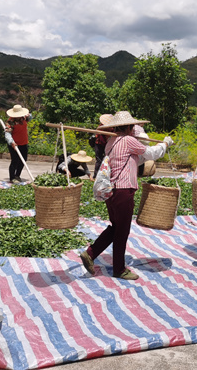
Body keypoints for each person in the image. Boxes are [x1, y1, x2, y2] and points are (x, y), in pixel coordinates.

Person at [79, 111, 173, 281]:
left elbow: (137, 160)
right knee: (122, 231)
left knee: (116, 227)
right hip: (123, 190)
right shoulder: (129, 141)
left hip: (112, 191)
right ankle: (119, 269)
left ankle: (90, 253)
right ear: (129, 127)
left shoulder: (111, 143)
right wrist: (165, 144)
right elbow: (150, 154)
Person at [4, 104, 31, 183]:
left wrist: (29, 115)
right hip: (14, 144)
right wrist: (11, 142)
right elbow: (7, 134)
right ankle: (12, 177)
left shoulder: (24, 118)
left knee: (23, 159)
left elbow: (30, 117)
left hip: (24, 143)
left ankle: (17, 175)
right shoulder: (10, 122)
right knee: (15, 160)